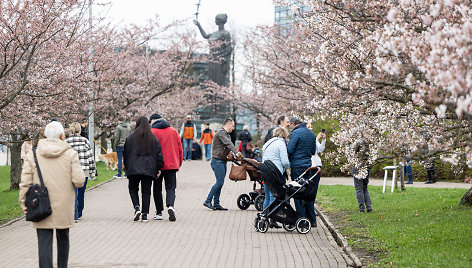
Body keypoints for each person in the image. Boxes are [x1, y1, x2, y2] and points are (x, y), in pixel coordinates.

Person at [19, 121, 85, 268]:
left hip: (40, 204)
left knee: (43, 242)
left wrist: (24, 202)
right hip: (64, 205)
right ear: (62, 135)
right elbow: (79, 181)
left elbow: (25, 181)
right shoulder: (70, 153)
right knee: (63, 240)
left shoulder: (33, 154)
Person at [124, 116, 164, 222]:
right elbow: (159, 154)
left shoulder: (130, 138)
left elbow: (126, 154)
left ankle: (137, 207)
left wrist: (126, 168)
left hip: (133, 168)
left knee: (132, 189)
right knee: (146, 192)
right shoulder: (153, 138)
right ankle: (145, 214)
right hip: (148, 169)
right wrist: (159, 168)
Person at [203, 118, 242, 210]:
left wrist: (234, 155)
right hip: (217, 161)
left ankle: (216, 203)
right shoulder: (221, 133)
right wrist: (236, 152)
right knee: (219, 182)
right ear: (228, 124)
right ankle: (208, 201)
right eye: (232, 126)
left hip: (222, 161)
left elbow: (227, 148)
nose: (233, 128)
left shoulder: (227, 135)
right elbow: (228, 144)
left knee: (220, 183)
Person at [150, 114, 183, 222]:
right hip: (172, 164)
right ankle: (170, 206)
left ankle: (159, 212)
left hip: (157, 165)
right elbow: (179, 148)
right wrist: (179, 162)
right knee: (171, 188)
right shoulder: (173, 131)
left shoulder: (153, 132)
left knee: (157, 189)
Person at [286, 117, 318, 226]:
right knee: (306, 191)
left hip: (297, 165)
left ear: (294, 124)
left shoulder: (296, 133)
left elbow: (289, 150)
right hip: (308, 166)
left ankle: (301, 218)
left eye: (290, 125)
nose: (290, 127)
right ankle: (311, 219)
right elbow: (313, 151)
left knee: (297, 191)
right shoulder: (311, 134)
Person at [66, 122, 97, 222]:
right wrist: (93, 172)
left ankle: (74, 214)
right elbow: (90, 158)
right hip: (84, 170)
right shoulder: (85, 141)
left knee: (72, 192)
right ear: (79, 130)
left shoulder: (66, 142)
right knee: (81, 193)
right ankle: (79, 212)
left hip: (71, 170)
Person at [262, 127, 290, 228]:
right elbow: (285, 161)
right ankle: (272, 219)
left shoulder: (267, 143)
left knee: (267, 196)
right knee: (274, 196)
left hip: (265, 172)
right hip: (275, 173)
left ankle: (264, 218)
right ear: (284, 135)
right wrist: (287, 168)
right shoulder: (281, 143)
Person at [352, 138, 373, 212]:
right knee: (365, 187)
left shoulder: (359, 141)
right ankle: (369, 207)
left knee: (359, 188)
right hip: (368, 165)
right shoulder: (370, 141)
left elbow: (353, 152)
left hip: (358, 165)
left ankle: (361, 208)